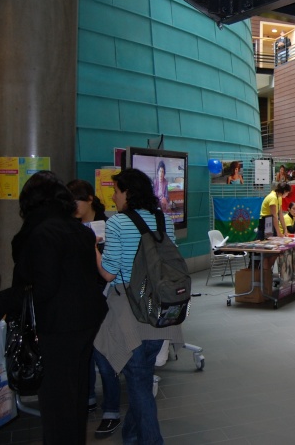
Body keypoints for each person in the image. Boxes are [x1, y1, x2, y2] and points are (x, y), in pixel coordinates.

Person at [0, 171, 108, 445]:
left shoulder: (42, 232)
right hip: (85, 320)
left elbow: (42, 287)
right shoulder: (76, 228)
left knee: (56, 403)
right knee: (73, 396)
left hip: (58, 325)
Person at [93, 168, 184, 445]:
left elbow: (108, 273)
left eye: (117, 190)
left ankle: (151, 440)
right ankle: (131, 435)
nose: (113, 195)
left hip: (128, 310)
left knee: (137, 379)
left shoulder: (117, 223)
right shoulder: (163, 220)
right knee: (140, 378)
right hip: (159, 309)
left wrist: (93, 249)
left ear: (128, 193)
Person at [67, 179, 122, 434]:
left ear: (89, 198)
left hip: (105, 294)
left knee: (103, 353)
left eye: (76, 200)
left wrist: (97, 247)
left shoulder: (110, 224)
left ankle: (111, 408)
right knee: (84, 352)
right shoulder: (69, 227)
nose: (73, 206)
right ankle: (88, 397)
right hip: (79, 297)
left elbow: (111, 267)